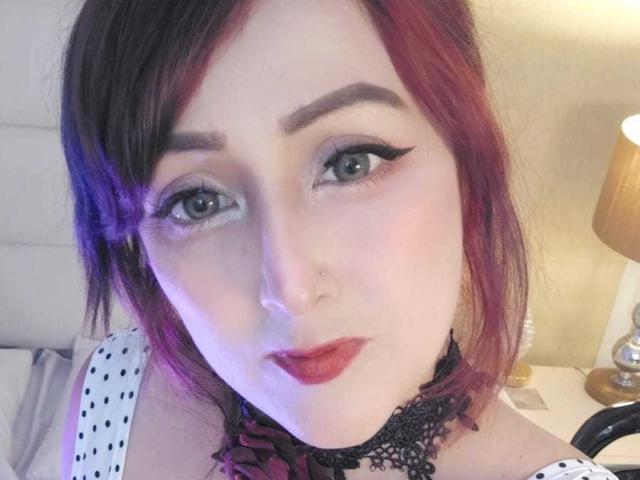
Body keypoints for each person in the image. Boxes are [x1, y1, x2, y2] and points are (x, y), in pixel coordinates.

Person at [58, 1, 620, 479]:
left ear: (467, 166)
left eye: (352, 163)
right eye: (197, 202)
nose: (292, 289)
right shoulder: (113, 397)